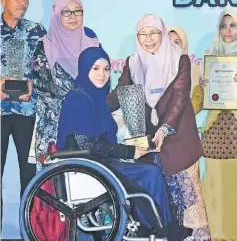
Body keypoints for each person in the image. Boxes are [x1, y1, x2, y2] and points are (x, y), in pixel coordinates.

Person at [56, 46, 191, 239]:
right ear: (84, 69)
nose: (102, 75)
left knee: (149, 170)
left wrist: (134, 146)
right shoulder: (78, 98)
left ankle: (159, 228)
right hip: (85, 167)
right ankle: (158, 230)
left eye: (106, 69)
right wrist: (129, 152)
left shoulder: (95, 98)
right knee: (150, 174)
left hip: (97, 163)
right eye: (95, 69)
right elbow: (88, 145)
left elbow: (100, 140)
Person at [107, 14, 210, 240]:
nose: (148, 39)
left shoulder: (179, 59)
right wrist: (93, 107)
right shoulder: (132, 63)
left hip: (178, 139)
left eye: (153, 33)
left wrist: (164, 129)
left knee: (188, 200)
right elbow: (120, 94)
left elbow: (180, 98)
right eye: (143, 34)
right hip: (150, 144)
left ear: (162, 34)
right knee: (158, 202)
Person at [31, 0, 100, 171]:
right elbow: (44, 86)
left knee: (87, 181)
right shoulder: (44, 45)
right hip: (55, 127)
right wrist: (73, 110)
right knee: (55, 184)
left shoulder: (92, 43)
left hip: (88, 126)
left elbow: (102, 81)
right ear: (56, 14)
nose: (73, 17)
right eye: (66, 12)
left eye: (77, 11)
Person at [0, 0, 46, 222]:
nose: (23, 2)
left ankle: (31, 229)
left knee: (30, 174)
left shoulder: (36, 31)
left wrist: (32, 84)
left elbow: (46, 72)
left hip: (27, 111)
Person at [192, 8, 237, 241]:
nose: (227, 31)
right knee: (217, 192)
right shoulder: (211, 57)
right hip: (215, 138)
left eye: (233, 25)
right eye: (223, 25)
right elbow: (196, 105)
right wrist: (201, 86)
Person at [167, 25, 210, 240]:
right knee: (171, 191)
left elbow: (198, 104)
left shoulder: (194, 70)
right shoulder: (157, 70)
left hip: (185, 138)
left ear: (184, 45)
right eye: (169, 42)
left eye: (178, 43)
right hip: (164, 142)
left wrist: (204, 89)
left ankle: (198, 233)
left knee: (190, 188)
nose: (173, 47)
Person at [167, 26, 202, 99]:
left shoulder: (198, 72)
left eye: (176, 42)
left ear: (184, 45)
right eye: (168, 42)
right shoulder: (155, 72)